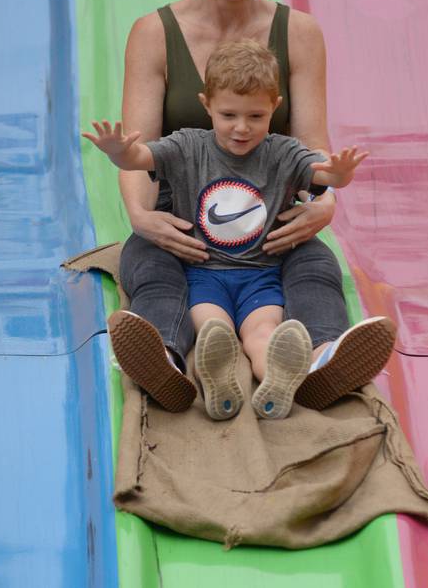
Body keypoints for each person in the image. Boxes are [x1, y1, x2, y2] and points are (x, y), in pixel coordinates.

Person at [109, 0, 395, 413]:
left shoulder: (299, 33)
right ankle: (164, 358)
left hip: (268, 216)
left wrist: (325, 203)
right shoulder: (154, 33)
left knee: (314, 265)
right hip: (185, 215)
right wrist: (143, 220)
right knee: (147, 263)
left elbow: (313, 147)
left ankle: (319, 359)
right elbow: (139, 150)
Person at [84, 40, 373, 420]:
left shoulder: (282, 152)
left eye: (256, 116)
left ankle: (278, 385)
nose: (241, 128)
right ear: (207, 105)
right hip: (205, 274)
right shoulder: (188, 145)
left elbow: (321, 174)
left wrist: (340, 173)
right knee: (213, 332)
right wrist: (118, 151)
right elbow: (141, 158)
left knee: (263, 335)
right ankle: (211, 383)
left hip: (261, 275)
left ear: (275, 106)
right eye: (228, 114)